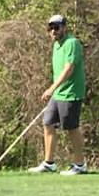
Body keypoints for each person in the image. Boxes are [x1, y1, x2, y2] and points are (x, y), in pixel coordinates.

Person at [29, 14, 87, 176]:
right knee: (48, 122)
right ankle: (49, 163)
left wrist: (51, 88)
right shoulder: (56, 45)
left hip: (71, 93)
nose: (53, 31)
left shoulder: (72, 43)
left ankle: (80, 165)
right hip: (58, 93)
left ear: (64, 28)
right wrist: (54, 89)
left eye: (56, 27)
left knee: (71, 127)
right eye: (50, 28)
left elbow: (69, 69)